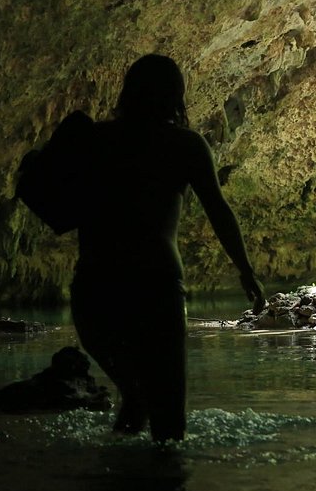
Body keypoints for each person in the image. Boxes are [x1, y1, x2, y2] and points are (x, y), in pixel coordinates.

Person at [71, 54, 264, 442]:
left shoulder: (96, 140)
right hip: (155, 284)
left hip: (96, 284)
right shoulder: (184, 145)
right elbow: (218, 212)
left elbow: (58, 200)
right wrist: (246, 270)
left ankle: (113, 486)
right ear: (177, 97)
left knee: (135, 394)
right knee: (169, 419)